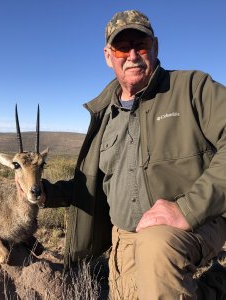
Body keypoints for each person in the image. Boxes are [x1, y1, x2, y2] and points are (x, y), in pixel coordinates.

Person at [40, 10, 226, 299]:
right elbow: (92, 185)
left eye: (140, 45)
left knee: (157, 246)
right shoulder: (105, 115)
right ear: (108, 56)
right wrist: (46, 193)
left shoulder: (193, 88)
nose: (132, 55)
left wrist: (186, 209)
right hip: (125, 240)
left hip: (195, 224)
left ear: (155, 47)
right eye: (121, 48)